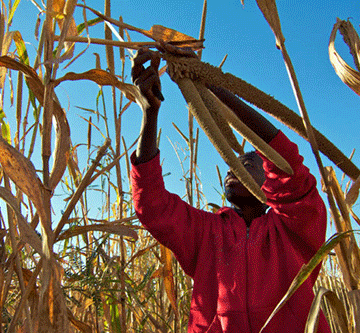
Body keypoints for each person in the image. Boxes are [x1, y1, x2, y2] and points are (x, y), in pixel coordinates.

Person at [130, 46, 331, 333]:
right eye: (231, 164)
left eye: (248, 162)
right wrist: (150, 112)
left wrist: (209, 81)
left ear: (269, 174)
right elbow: (151, 204)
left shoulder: (296, 227)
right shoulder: (205, 232)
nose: (234, 169)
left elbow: (288, 165)